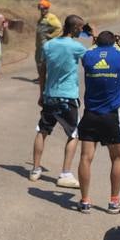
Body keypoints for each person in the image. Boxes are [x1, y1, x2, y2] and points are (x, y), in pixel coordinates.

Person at [76, 31, 120, 214]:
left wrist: (94, 44)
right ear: (113, 42)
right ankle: (114, 202)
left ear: (96, 42)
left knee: (85, 158)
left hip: (90, 114)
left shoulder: (88, 56)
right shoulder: (119, 57)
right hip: (111, 115)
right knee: (116, 158)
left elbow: (88, 55)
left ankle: (85, 201)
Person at [30, 15, 87, 188]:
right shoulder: (77, 47)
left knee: (42, 130)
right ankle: (65, 173)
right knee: (74, 134)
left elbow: (42, 71)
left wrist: (42, 93)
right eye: (81, 28)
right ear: (75, 27)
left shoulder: (49, 45)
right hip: (68, 97)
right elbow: (90, 63)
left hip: (50, 95)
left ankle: (35, 169)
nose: (82, 31)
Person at [35, 0, 63, 86]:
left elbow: (59, 27)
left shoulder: (50, 17)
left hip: (45, 44)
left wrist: (51, 36)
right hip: (39, 44)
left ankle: (44, 78)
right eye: (41, 8)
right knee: (38, 60)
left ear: (47, 8)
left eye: (44, 8)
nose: (42, 10)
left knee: (42, 61)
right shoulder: (42, 18)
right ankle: (41, 77)